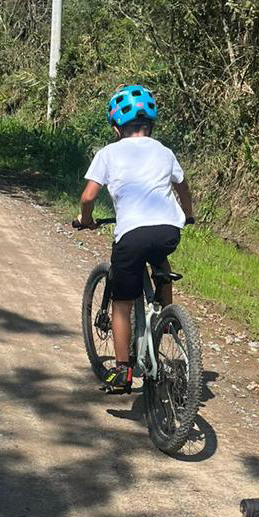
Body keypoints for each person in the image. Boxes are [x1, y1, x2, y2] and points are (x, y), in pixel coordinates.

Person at [78, 84, 194, 393]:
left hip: (131, 235)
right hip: (168, 231)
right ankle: (167, 318)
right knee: (160, 260)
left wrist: (86, 219)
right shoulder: (164, 151)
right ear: (151, 124)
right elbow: (183, 188)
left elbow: (88, 196)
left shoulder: (108, 153)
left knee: (122, 304)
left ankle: (123, 371)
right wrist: (188, 214)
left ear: (116, 127)